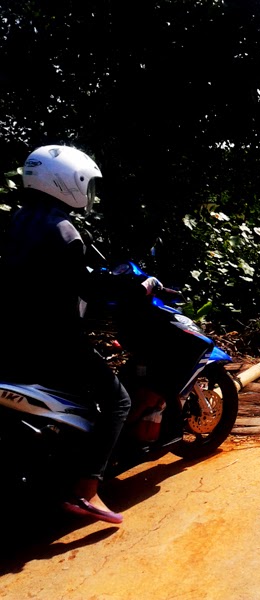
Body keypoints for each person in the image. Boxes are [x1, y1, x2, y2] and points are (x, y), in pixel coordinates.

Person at [0, 145, 156, 524]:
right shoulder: (64, 230)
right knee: (118, 400)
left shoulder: (17, 219)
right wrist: (139, 290)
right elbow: (88, 290)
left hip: (13, 336)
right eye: (87, 186)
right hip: (54, 341)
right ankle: (86, 490)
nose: (89, 195)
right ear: (68, 182)